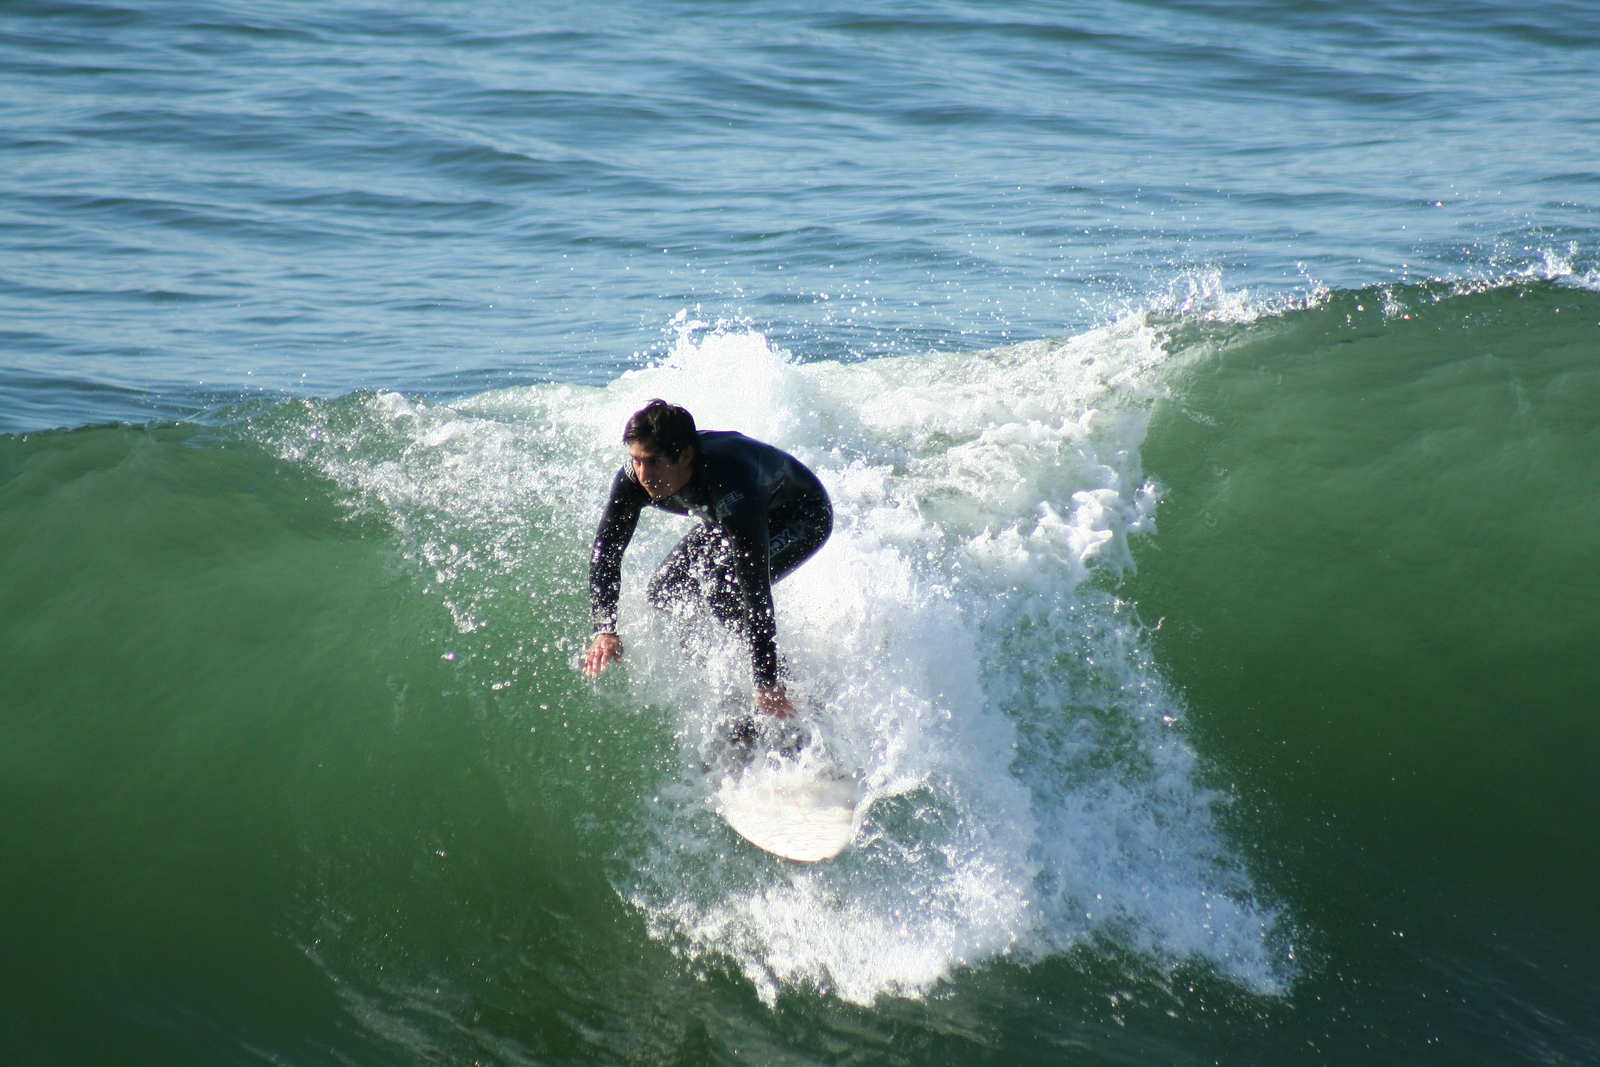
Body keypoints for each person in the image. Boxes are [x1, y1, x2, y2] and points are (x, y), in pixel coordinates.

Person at [582, 399, 832, 718]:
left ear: (685, 455)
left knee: (725, 592)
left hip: (801, 514)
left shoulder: (730, 481)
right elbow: (606, 550)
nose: (643, 474)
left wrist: (765, 679)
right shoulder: (634, 479)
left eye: (653, 462)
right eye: (636, 460)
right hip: (725, 516)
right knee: (666, 590)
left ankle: (785, 693)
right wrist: (606, 627)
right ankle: (727, 685)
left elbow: (755, 592)